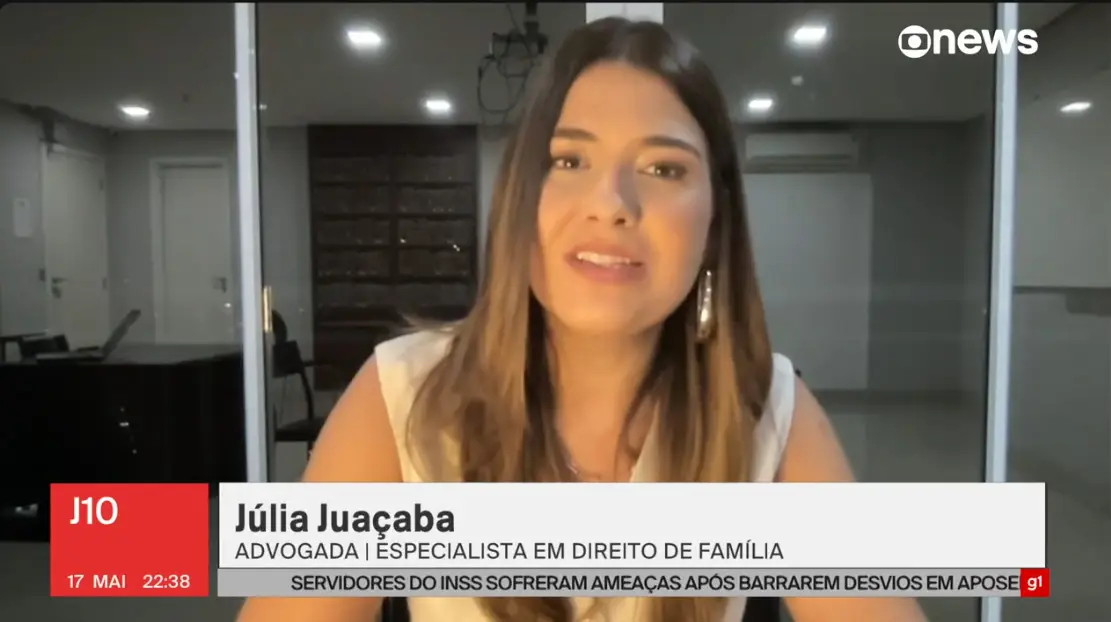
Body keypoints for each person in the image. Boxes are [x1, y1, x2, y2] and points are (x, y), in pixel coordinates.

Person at [238, 16, 929, 622]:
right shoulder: (403, 392)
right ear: (521, 199)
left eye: (663, 169)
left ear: (715, 221)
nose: (611, 203)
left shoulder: (766, 408)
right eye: (568, 159)